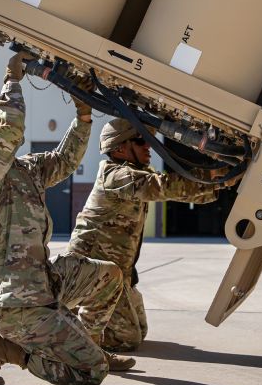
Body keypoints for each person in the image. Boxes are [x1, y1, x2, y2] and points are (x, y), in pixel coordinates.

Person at [0, 51, 135, 385]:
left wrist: (83, 114)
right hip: (18, 305)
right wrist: (12, 82)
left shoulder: (25, 170)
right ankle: (5, 348)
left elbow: (64, 160)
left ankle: (90, 347)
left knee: (108, 276)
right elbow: (9, 131)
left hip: (44, 281)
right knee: (92, 375)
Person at [66, 118, 236, 352]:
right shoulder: (116, 176)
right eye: (141, 141)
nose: (148, 147)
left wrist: (220, 182)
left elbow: (176, 189)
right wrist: (217, 175)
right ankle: (64, 332)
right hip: (92, 275)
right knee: (127, 339)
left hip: (116, 274)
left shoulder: (135, 174)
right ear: (119, 149)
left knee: (140, 332)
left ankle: (79, 316)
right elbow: (164, 186)